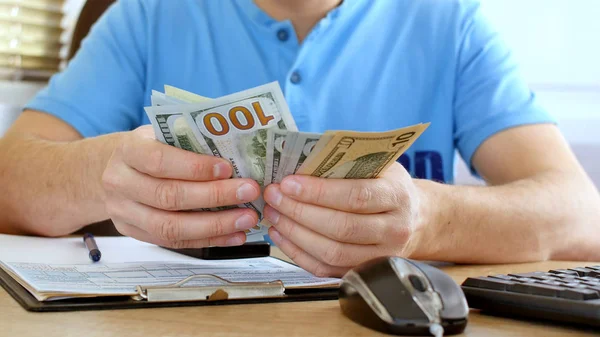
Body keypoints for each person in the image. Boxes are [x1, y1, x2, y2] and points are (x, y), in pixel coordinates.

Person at [0, 0, 598, 277]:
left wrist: (429, 218)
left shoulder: (450, 23)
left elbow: (581, 217)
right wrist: (102, 173)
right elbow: (10, 177)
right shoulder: (147, 14)